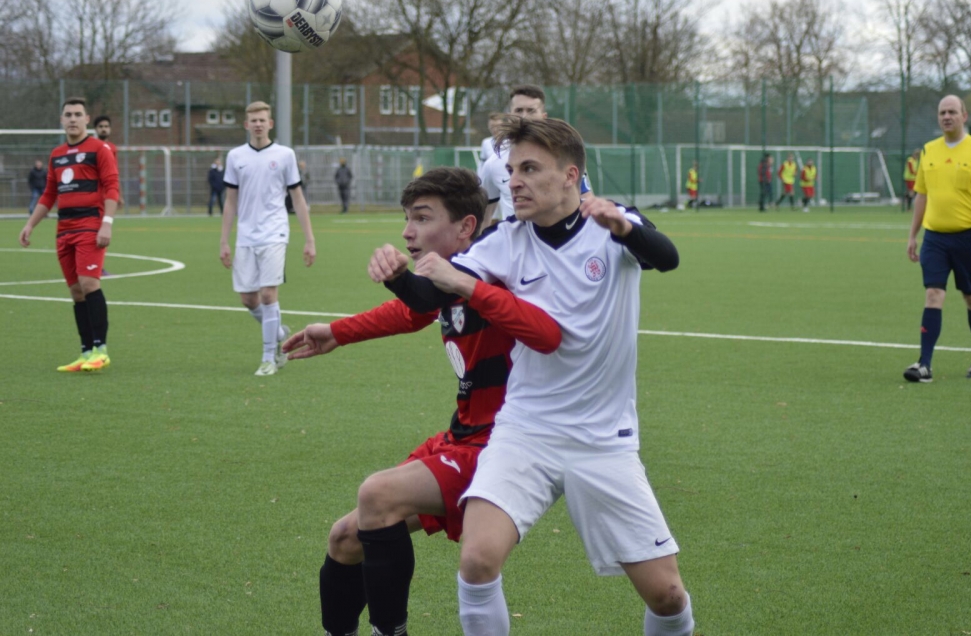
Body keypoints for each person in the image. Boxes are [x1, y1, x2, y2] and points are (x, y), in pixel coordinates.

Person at [370, 117, 692, 636]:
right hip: (525, 430)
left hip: (602, 440)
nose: (513, 181)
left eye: (529, 169)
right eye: (512, 170)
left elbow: (667, 258)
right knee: (477, 559)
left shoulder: (612, 223)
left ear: (570, 175)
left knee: (668, 595)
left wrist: (624, 228)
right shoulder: (504, 240)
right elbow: (430, 297)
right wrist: (398, 277)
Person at [283, 166, 561, 636]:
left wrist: (401, 281)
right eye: (407, 219)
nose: (408, 232)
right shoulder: (448, 284)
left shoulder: (493, 277)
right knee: (346, 538)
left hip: (500, 446)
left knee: (378, 495)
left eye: (422, 218)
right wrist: (336, 332)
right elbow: (414, 311)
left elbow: (536, 328)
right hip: (461, 435)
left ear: (466, 227)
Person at [18, 97, 119, 372]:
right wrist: (30, 225)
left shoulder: (100, 149)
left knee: (89, 284)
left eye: (77, 114)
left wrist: (107, 223)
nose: (72, 119)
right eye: (68, 115)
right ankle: (85, 352)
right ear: (62, 120)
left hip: (90, 225)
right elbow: (49, 194)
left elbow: (112, 187)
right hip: (64, 230)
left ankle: (101, 350)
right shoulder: (57, 154)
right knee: (76, 291)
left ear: (86, 119)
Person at [904, 94, 971, 383]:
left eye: (952, 112)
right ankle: (924, 365)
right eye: (942, 112)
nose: (947, 116)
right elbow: (922, 195)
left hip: (969, 238)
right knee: (933, 294)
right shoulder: (929, 150)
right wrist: (913, 235)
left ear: (964, 116)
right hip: (935, 238)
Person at [219, 100, 316, 377]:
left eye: (263, 120)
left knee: (268, 294)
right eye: (254, 120)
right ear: (246, 124)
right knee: (248, 299)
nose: (258, 124)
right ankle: (279, 333)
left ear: (270, 124)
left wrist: (309, 239)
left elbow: (298, 198)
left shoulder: (285, 155)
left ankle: (269, 357)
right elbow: (230, 202)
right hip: (246, 235)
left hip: (275, 232)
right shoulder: (235, 156)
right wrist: (224, 241)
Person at [480, 85, 593, 225]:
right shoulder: (493, 164)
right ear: (509, 116)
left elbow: (586, 200)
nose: (524, 116)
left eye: (531, 111)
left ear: (544, 117)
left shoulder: (565, 156)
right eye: (518, 110)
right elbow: (484, 217)